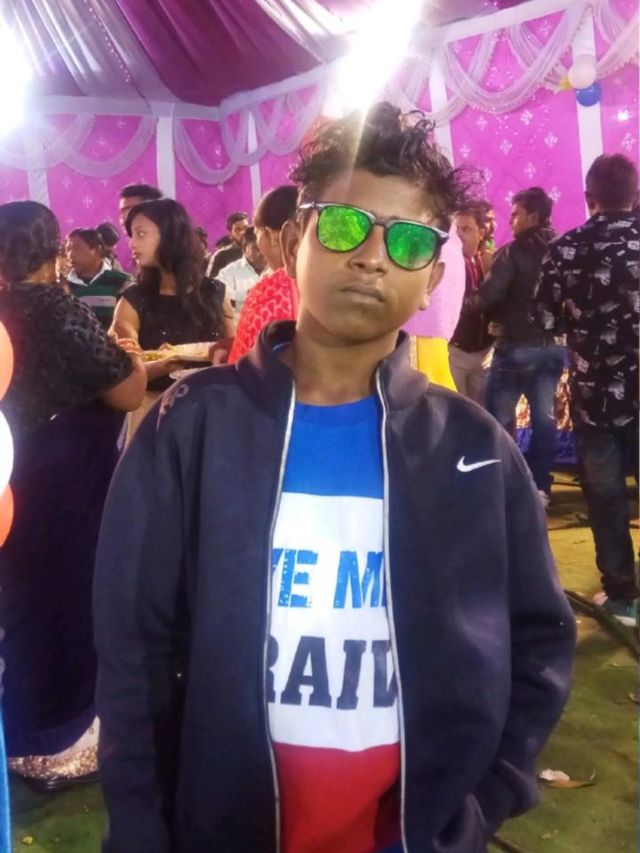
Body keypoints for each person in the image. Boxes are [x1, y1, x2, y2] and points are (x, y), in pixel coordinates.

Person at [94, 102, 574, 853]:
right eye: (347, 226)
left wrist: (484, 798)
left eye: (408, 241)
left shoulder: (476, 451)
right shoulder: (191, 427)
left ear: (433, 277)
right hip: (219, 827)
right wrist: (139, 826)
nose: (373, 256)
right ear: (294, 242)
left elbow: (539, 640)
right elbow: (133, 648)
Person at [0, 201, 146, 790]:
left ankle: (25, 729)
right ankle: (55, 740)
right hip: (65, 488)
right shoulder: (55, 308)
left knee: (23, 600)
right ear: (55, 248)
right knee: (67, 599)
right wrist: (129, 347)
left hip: (17, 482)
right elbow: (127, 393)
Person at [535, 153, 639, 626]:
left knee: (605, 495)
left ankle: (622, 596)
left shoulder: (566, 248)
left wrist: (581, 322)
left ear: (588, 197)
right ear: (634, 195)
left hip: (595, 398)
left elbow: (543, 318)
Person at [468, 187, 565, 507]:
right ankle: (541, 488)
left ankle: (503, 484)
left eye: (515, 214)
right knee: (545, 420)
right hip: (553, 346)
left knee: (499, 417)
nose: (511, 221)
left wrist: (463, 304)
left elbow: (489, 296)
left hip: (515, 345)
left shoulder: (511, 253)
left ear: (532, 216)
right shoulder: (565, 249)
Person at [111, 198, 234, 438]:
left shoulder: (215, 292)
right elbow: (123, 370)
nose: (132, 243)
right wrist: (159, 367)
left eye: (141, 234)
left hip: (211, 411)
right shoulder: (133, 300)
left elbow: (236, 351)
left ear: (170, 235)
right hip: (155, 415)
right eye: (131, 235)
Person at [225, 185, 299, 364]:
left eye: (257, 232)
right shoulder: (328, 281)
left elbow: (243, 364)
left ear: (271, 235)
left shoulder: (271, 290)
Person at [448, 200, 495, 403]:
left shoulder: (486, 260)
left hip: (483, 353)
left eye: (466, 229)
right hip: (456, 351)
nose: (459, 234)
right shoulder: (449, 263)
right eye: (456, 229)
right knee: (457, 410)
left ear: (481, 233)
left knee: (479, 411)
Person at [66, 228, 130, 330]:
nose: (70, 255)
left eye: (77, 248)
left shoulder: (123, 282)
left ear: (97, 250)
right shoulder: (62, 285)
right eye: (68, 249)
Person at [216, 226, 266, 320]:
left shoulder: (276, 269)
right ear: (244, 248)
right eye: (256, 249)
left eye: (264, 248)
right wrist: (250, 294)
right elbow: (218, 298)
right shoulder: (227, 273)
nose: (262, 253)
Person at [207, 211, 249, 277]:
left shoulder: (259, 250)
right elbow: (212, 281)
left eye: (245, 228)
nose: (243, 232)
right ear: (230, 234)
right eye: (238, 229)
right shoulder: (222, 256)